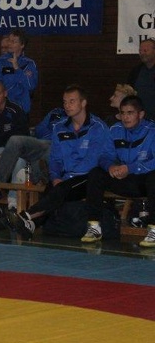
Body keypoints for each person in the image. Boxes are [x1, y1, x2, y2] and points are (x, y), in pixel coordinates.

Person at [14, 85, 115, 240]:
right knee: (52, 188)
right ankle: (32, 224)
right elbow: (55, 158)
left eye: (72, 101)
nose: (67, 105)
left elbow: (94, 160)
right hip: (65, 178)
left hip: (89, 178)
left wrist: (66, 178)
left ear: (83, 103)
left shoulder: (98, 127)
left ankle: (26, 215)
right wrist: (55, 177)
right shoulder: (60, 127)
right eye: (65, 102)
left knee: (61, 190)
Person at [83, 96, 155, 245]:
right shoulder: (115, 130)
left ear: (141, 114)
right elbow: (104, 156)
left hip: (143, 181)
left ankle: (153, 229)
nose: (125, 117)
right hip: (123, 179)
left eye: (130, 113)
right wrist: (110, 167)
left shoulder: (152, 131)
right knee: (96, 173)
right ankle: (94, 226)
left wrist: (131, 168)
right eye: (122, 113)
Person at [0, 28, 38, 113]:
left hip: (22, 109)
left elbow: (31, 86)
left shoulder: (29, 63)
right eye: (9, 40)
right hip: (4, 109)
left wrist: (17, 69)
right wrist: (21, 81)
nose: (10, 43)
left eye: (14, 41)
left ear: (22, 45)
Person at [128, 38, 155, 119]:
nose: (142, 53)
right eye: (140, 51)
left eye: (145, 50)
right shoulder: (136, 71)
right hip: (140, 119)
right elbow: (129, 92)